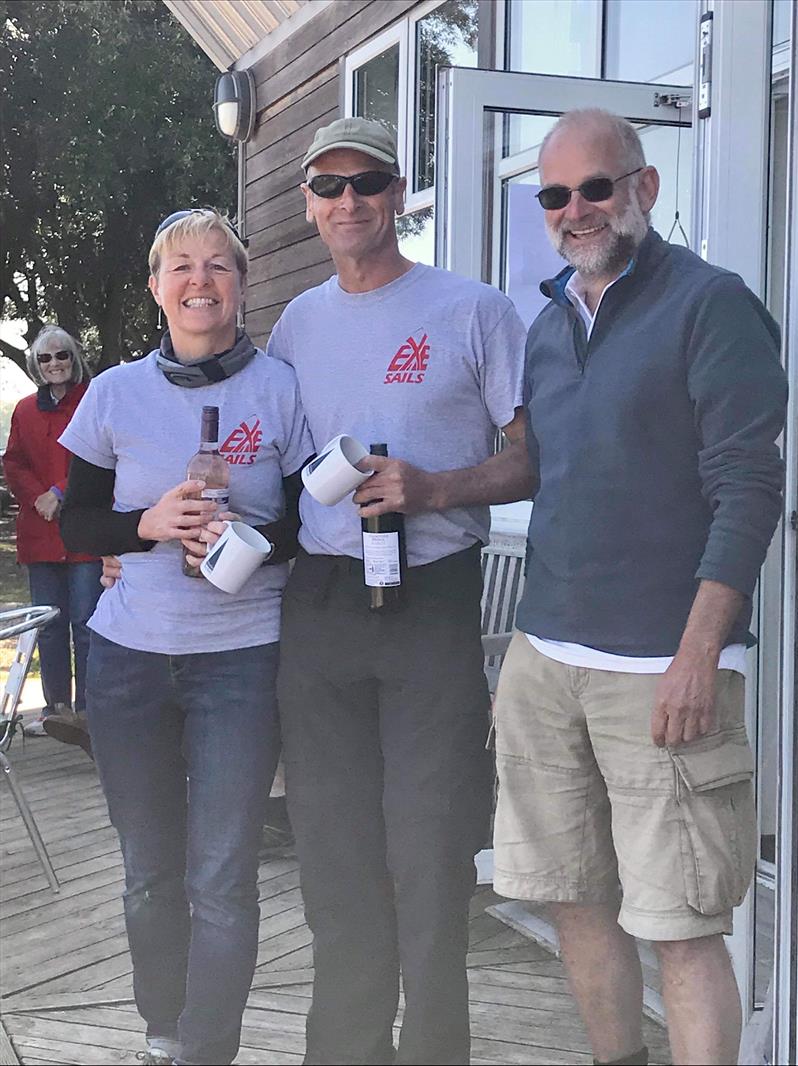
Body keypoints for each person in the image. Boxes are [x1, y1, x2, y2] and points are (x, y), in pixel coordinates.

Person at [492, 109, 788, 1066]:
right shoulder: (546, 325)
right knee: (576, 900)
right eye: (555, 195)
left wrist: (700, 650)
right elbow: (550, 472)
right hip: (547, 660)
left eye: (596, 188)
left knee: (681, 921)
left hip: (662, 665)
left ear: (644, 190)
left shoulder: (711, 305)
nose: (576, 210)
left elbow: (748, 490)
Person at [267, 117, 533, 1066]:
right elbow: (274, 464)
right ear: (307, 203)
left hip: (430, 600)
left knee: (427, 863)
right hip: (325, 601)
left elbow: (530, 459)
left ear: (399, 194)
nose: (348, 203)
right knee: (335, 865)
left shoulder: (473, 310)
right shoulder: (297, 322)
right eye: (328, 186)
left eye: (366, 183)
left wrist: (436, 488)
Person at [57, 208, 312, 1066]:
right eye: (181, 266)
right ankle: (163, 1030)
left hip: (242, 658)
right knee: (149, 875)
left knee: (223, 878)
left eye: (218, 265)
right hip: (129, 660)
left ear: (242, 283)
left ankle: (209, 1050)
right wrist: (148, 525)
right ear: (157, 288)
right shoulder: (113, 393)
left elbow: (313, 525)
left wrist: (245, 539)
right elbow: (80, 523)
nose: (200, 280)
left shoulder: (280, 388)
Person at [3, 325, 101, 745]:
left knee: (86, 622)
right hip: (39, 533)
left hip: (81, 533)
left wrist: (61, 492)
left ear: (73, 359)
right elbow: (14, 462)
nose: (55, 364)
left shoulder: (93, 401)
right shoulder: (24, 410)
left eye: (62, 356)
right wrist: (38, 497)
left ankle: (89, 713)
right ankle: (53, 711)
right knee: (49, 626)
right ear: (36, 365)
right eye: (45, 359)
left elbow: (95, 454)